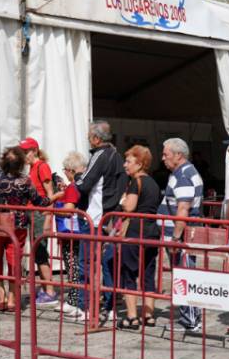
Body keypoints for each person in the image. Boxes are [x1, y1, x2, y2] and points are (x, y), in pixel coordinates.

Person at [0, 146, 52, 311]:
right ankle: (12, 300)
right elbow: (39, 202)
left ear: (2, 161)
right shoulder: (25, 180)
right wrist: (55, 196)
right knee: (14, 261)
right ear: (21, 163)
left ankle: (1, 297)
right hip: (17, 225)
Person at [74, 120, 127, 320]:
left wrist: (76, 176)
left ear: (96, 138)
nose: (89, 139)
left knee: (86, 263)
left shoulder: (99, 155)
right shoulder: (117, 156)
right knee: (108, 264)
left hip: (94, 218)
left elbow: (84, 184)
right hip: (110, 218)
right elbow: (122, 184)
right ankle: (111, 308)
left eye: (90, 136)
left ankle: (85, 307)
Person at [157, 138, 204, 333]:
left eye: (166, 154)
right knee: (184, 274)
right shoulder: (183, 172)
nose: (163, 158)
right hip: (181, 235)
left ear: (178, 155)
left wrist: (176, 238)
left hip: (182, 237)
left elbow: (183, 209)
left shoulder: (183, 175)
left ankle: (190, 319)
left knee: (185, 275)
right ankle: (190, 316)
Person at [117, 145, 161, 330]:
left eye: (128, 161)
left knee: (129, 273)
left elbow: (129, 207)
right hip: (152, 231)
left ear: (140, 164)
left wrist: (123, 200)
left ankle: (132, 317)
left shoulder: (136, 182)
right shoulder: (154, 183)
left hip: (136, 231)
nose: (125, 165)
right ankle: (148, 316)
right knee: (148, 274)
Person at [19, 137, 63, 306]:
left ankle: (50, 291)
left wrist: (48, 219)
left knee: (41, 252)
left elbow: (50, 194)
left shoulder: (42, 167)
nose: (23, 155)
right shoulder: (33, 167)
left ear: (35, 151)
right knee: (38, 252)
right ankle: (46, 289)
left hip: (39, 214)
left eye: (26, 152)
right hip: (34, 213)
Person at [54, 151, 88, 319]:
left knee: (73, 266)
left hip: (71, 233)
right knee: (75, 266)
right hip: (76, 231)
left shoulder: (73, 187)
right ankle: (75, 299)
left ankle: (75, 300)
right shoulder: (79, 185)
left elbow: (68, 210)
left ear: (71, 170)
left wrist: (54, 209)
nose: (64, 173)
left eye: (65, 170)